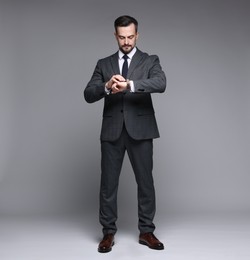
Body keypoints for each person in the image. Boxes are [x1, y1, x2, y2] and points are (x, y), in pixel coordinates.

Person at [84, 15, 166, 253]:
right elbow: (88, 94)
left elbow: (160, 83)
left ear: (137, 35)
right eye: (122, 37)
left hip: (141, 129)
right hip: (112, 131)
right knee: (108, 185)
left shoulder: (150, 60)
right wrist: (107, 86)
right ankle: (108, 233)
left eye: (130, 36)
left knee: (145, 182)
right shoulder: (104, 63)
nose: (127, 41)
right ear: (115, 36)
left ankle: (147, 231)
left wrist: (130, 85)